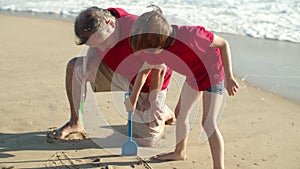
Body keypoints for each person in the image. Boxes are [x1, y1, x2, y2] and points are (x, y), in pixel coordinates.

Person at [125, 5, 239, 168]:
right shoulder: (154, 49)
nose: (146, 53)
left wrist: (229, 76)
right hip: (194, 76)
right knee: (180, 113)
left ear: (161, 39)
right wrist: (134, 100)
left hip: (214, 74)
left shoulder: (192, 35)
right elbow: (145, 72)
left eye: (148, 49)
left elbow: (223, 44)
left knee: (208, 123)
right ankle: (180, 152)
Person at [47, 6, 175, 147]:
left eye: (103, 43)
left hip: (149, 83)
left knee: (147, 142)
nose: (102, 48)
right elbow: (95, 45)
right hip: (118, 72)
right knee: (75, 67)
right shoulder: (98, 20)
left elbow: (160, 67)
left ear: (111, 24)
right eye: (96, 45)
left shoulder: (136, 30)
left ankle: (163, 112)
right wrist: (89, 64)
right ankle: (75, 122)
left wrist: (154, 99)